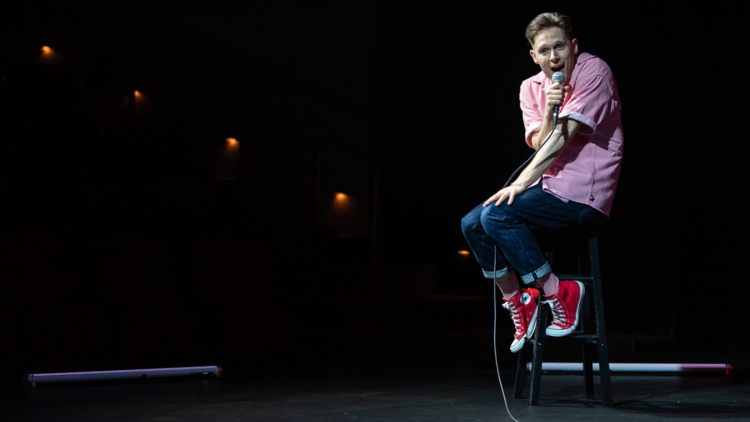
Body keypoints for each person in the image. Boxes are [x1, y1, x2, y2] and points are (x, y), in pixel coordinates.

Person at [460, 12, 623, 352]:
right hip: (547, 187)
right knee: (472, 223)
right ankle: (519, 300)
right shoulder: (530, 87)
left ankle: (559, 291)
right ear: (534, 55)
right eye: (545, 50)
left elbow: (564, 137)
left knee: (498, 215)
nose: (554, 57)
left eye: (560, 46)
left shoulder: (594, 70)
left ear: (573, 46)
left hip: (583, 194)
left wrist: (521, 183)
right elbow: (540, 142)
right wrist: (549, 111)